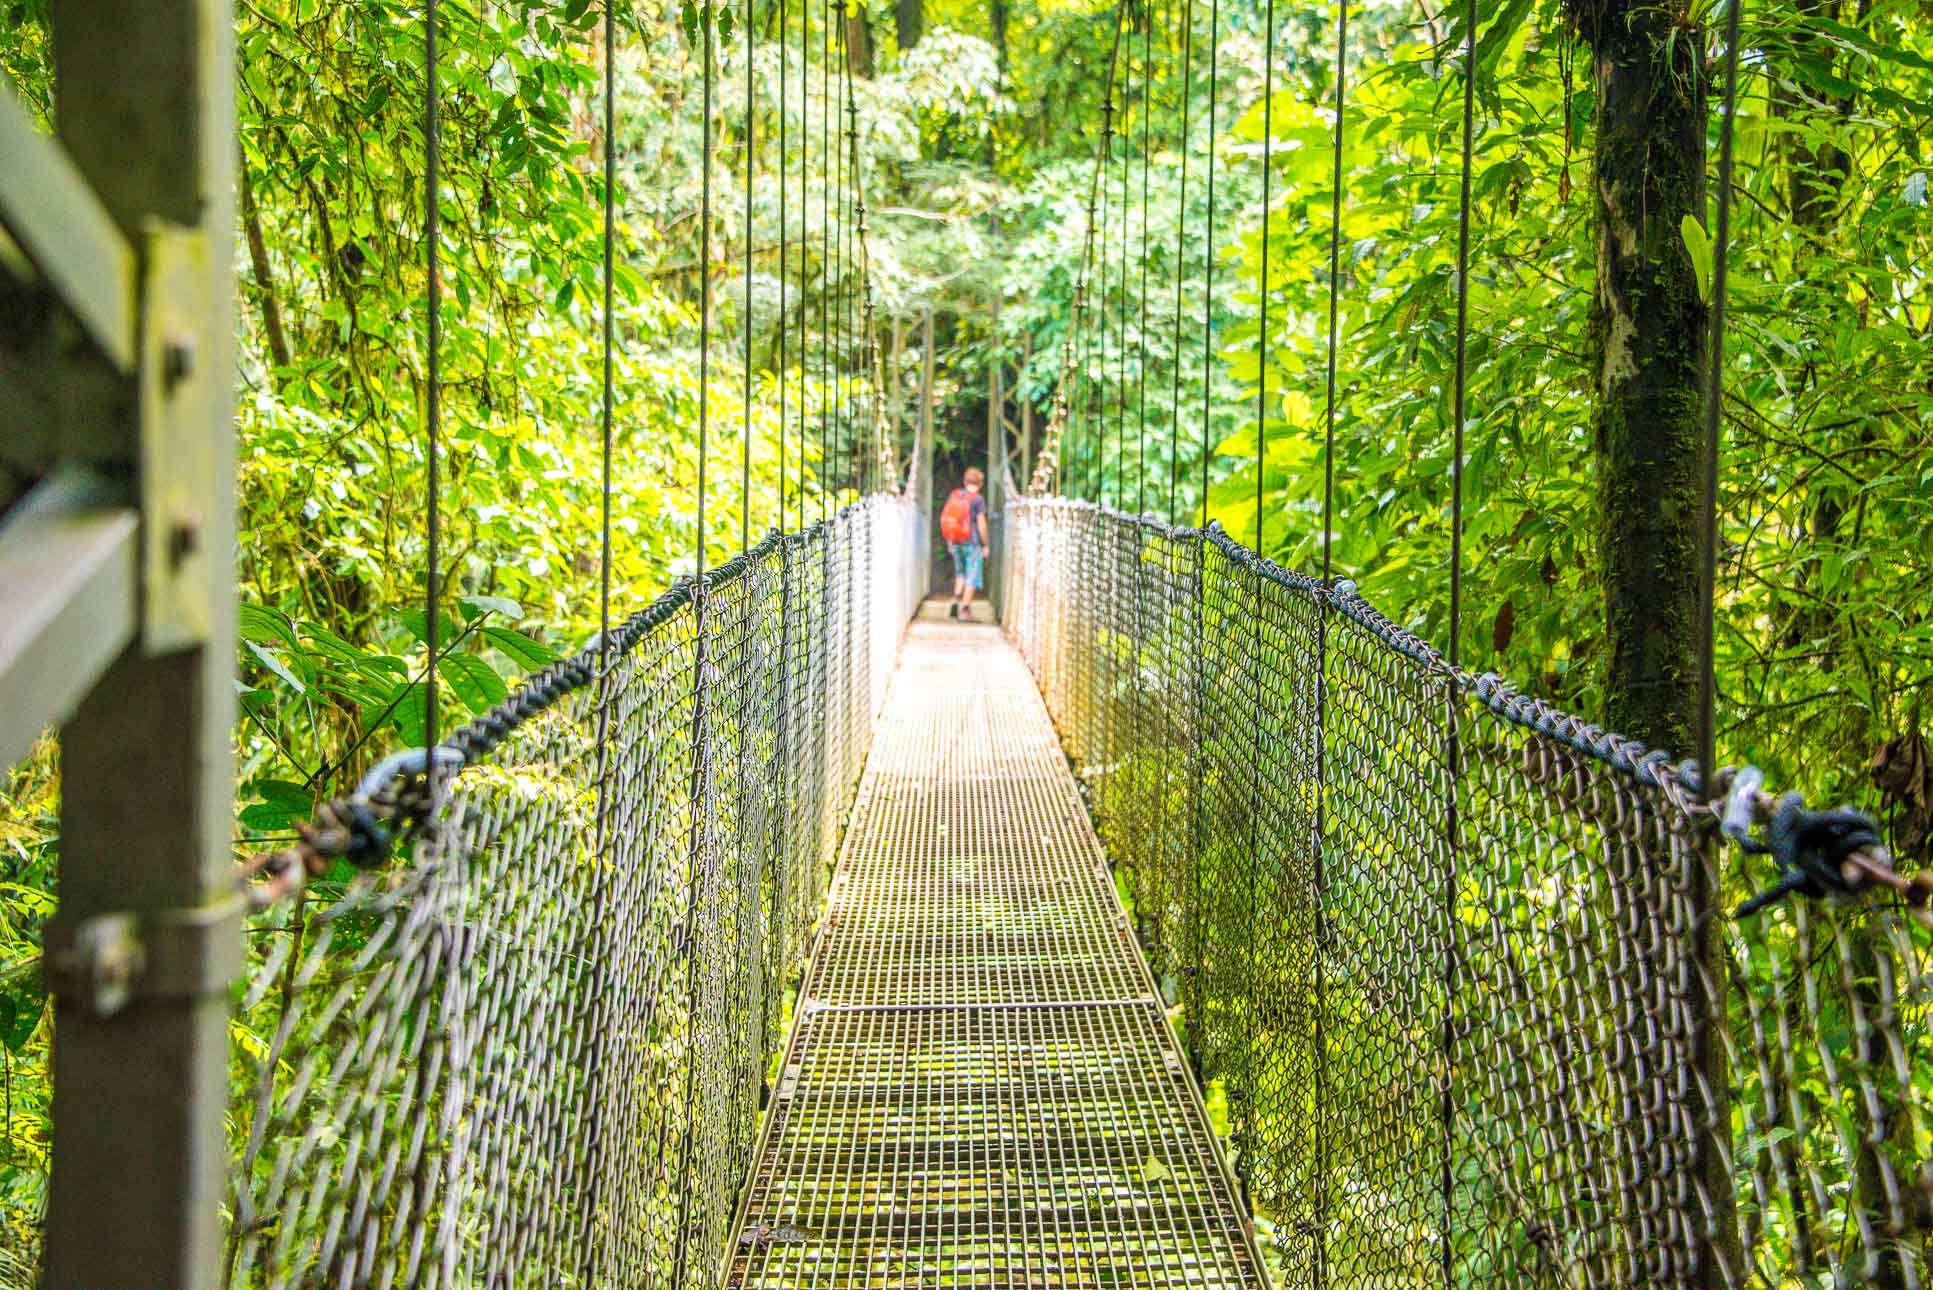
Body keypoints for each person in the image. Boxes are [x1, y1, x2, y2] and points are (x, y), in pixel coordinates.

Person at [940, 467, 990, 621]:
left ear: (965, 481)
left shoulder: (956, 495)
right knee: (972, 575)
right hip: (972, 542)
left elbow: (948, 520)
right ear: (980, 483)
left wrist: (949, 540)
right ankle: (965, 610)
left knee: (960, 572)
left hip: (956, 540)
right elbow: (981, 524)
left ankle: (955, 600)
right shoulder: (978, 499)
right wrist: (985, 544)